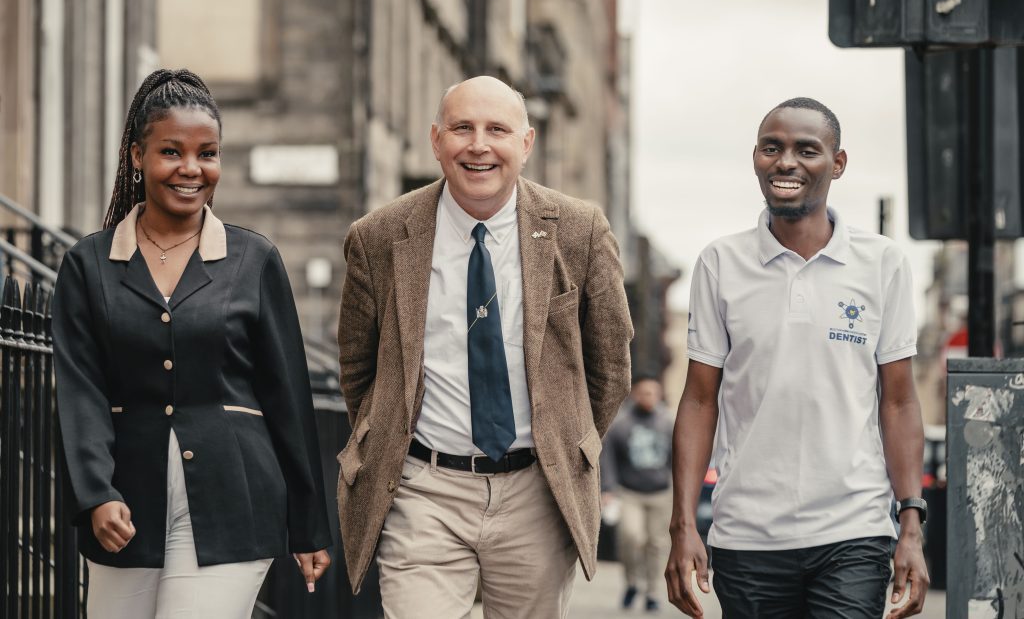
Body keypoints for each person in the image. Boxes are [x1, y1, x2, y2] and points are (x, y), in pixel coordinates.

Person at [335, 75, 634, 617]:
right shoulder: (379, 237)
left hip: (537, 493)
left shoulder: (579, 230)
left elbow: (609, 366)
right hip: (423, 492)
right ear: (436, 140)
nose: (478, 145)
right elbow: (358, 370)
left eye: (496, 129)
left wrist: (567, 441)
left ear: (525, 143)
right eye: (461, 128)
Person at [52, 69, 332, 618]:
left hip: (235, 500)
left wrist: (309, 522)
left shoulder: (254, 260)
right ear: (137, 156)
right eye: (171, 151)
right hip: (124, 502)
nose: (191, 169)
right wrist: (96, 491)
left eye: (207, 153)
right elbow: (79, 388)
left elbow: (288, 398)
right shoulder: (88, 265)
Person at [664, 97, 930, 619]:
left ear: (837, 163)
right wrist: (683, 527)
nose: (786, 162)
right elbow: (699, 401)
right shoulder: (721, 263)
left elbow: (898, 403)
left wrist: (911, 527)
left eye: (806, 150)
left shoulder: (882, 264)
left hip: (854, 532)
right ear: (756, 157)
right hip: (747, 535)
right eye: (772, 148)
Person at [601, 375, 674, 612]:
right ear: (635, 395)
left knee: (657, 543)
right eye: (644, 392)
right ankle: (632, 583)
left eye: (653, 393)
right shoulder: (621, 424)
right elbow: (608, 456)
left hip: (661, 493)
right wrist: (608, 489)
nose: (649, 397)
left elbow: (680, 457)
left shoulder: (668, 422)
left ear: (660, 395)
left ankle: (653, 592)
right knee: (631, 538)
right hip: (629, 492)